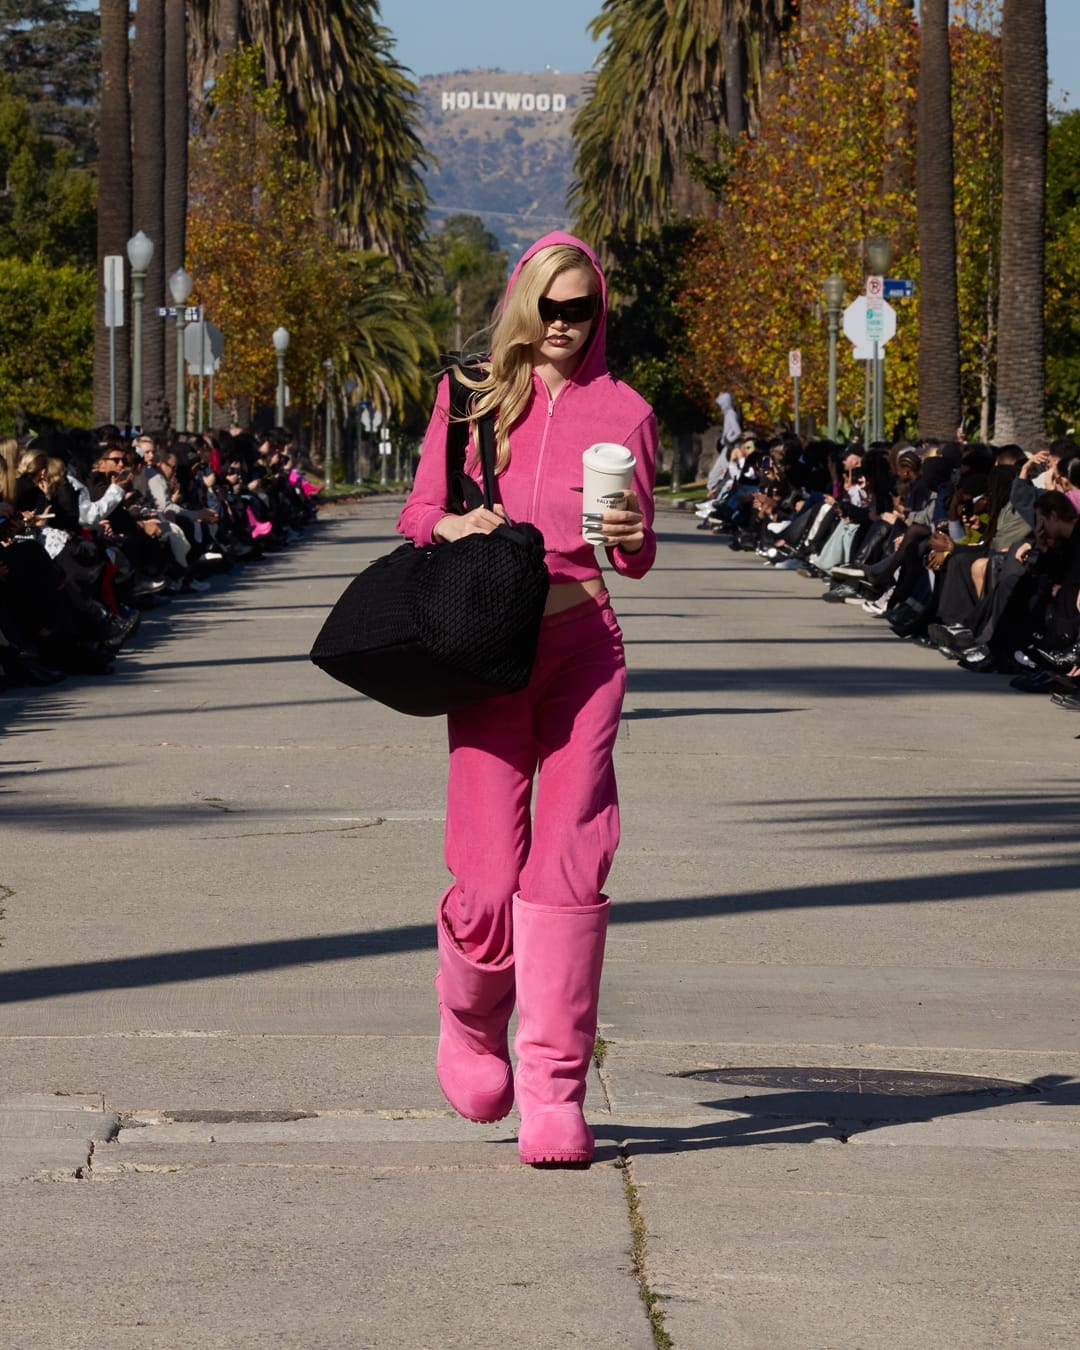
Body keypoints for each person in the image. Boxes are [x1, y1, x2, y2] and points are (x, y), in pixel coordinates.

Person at [397, 232, 658, 1166]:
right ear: (521, 304)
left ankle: (554, 1088)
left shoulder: (625, 410)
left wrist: (629, 534)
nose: (561, 325)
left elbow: (635, 551)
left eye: (579, 309)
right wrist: (454, 520)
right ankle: (468, 1022)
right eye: (547, 306)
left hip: (586, 641)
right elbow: (417, 510)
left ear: (598, 313)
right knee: (486, 874)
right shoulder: (469, 397)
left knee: (572, 866)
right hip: (491, 647)